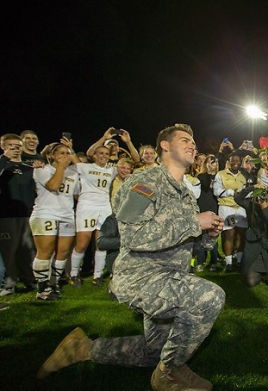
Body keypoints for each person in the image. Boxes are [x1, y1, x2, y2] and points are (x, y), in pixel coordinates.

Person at [37, 123, 225, 391]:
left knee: (155, 351)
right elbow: (134, 237)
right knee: (209, 298)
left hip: (171, 278)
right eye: (185, 140)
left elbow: (190, 242)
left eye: (193, 141)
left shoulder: (185, 195)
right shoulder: (143, 183)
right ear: (164, 145)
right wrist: (194, 222)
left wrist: (209, 235)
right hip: (141, 277)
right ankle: (169, 374)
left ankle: (82, 348)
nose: (192, 145)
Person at [29, 139, 79, 300]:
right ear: (51, 155)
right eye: (61, 153)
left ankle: (54, 284)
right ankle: (42, 289)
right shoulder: (42, 169)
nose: (66, 156)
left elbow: (77, 194)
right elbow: (54, 186)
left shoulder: (73, 173)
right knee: (45, 251)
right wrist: (61, 168)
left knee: (63, 252)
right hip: (45, 214)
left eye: (67, 153)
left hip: (67, 215)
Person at [69, 144, 117, 287]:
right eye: (100, 153)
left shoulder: (111, 170)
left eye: (106, 154)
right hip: (87, 207)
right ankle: (73, 274)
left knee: (101, 244)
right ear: (94, 155)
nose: (103, 156)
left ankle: (97, 276)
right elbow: (73, 156)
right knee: (82, 243)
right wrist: (103, 137)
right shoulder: (85, 167)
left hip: (104, 207)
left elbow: (134, 160)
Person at [0, 134, 39, 296]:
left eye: (18, 145)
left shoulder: (29, 168)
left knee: (28, 249)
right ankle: (9, 284)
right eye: (11, 145)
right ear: (3, 146)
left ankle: (30, 280)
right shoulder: (2, 164)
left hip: (27, 214)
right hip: (6, 214)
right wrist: (3, 159)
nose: (15, 148)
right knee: (9, 250)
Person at [235, 183, 268, 286]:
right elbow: (238, 199)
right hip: (254, 247)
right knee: (251, 282)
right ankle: (256, 271)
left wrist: (265, 210)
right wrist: (253, 187)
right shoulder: (251, 206)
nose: (262, 199)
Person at [214, 153, 247, 271]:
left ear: (241, 162)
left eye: (238, 161)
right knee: (230, 235)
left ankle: (238, 261)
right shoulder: (221, 174)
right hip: (227, 207)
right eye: (233, 161)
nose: (235, 163)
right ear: (229, 161)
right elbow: (216, 191)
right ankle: (228, 263)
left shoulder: (243, 176)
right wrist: (231, 192)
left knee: (241, 235)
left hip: (241, 208)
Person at [195, 154, 221, 271]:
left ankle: (213, 262)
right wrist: (209, 173)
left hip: (214, 208)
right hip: (203, 208)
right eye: (209, 162)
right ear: (205, 164)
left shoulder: (219, 176)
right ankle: (200, 262)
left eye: (214, 162)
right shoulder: (201, 176)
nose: (212, 164)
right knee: (201, 237)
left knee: (213, 236)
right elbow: (206, 186)